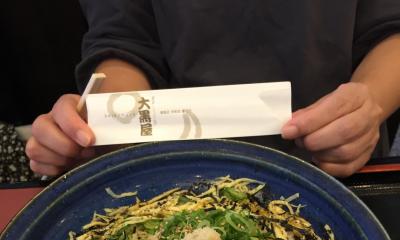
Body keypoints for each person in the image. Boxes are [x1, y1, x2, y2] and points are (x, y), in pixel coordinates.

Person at [26, 1, 400, 178]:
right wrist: (104, 124)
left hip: (333, 153)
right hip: (174, 168)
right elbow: (123, 40)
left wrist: (367, 105)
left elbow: (391, 27)